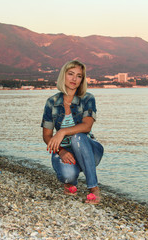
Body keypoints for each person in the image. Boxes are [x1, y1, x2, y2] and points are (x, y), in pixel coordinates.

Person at [41, 60, 104, 204]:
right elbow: (47, 136)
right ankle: (70, 182)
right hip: (66, 150)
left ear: (82, 79)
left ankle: (93, 188)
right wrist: (61, 151)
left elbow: (87, 126)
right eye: (70, 74)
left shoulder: (88, 98)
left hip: (89, 149)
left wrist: (62, 132)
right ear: (63, 76)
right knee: (67, 176)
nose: (74, 79)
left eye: (79, 76)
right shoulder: (52, 102)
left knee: (78, 137)